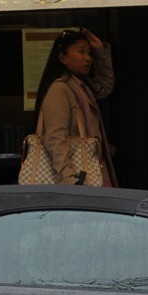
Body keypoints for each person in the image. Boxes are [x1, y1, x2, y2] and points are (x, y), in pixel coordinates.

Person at [33, 28, 117, 187]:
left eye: (89, 53)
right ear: (63, 58)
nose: (88, 59)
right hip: (78, 179)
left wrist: (100, 51)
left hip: (84, 176)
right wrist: (71, 180)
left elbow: (105, 86)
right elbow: (55, 138)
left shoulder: (80, 85)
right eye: (81, 52)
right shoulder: (60, 89)